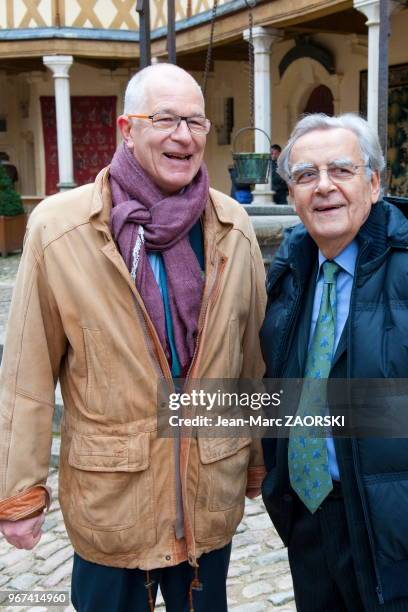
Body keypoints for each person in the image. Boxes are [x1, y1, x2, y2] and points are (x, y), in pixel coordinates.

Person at [0, 64, 266, 612]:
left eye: (196, 121)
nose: (184, 136)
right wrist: (19, 492)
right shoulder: (60, 227)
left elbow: (251, 362)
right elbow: (26, 371)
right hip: (113, 503)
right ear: (127, 128)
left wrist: (257, 458)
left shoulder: (233, 227)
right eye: (164, 119)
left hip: (206, 497)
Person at [261, 113, 408, 611]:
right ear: (291, 195)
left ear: (373, 182)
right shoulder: (290, 271)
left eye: (340, 171)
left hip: (391, 525)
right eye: (305, 176)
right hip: (311, 516)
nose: (323, 187)